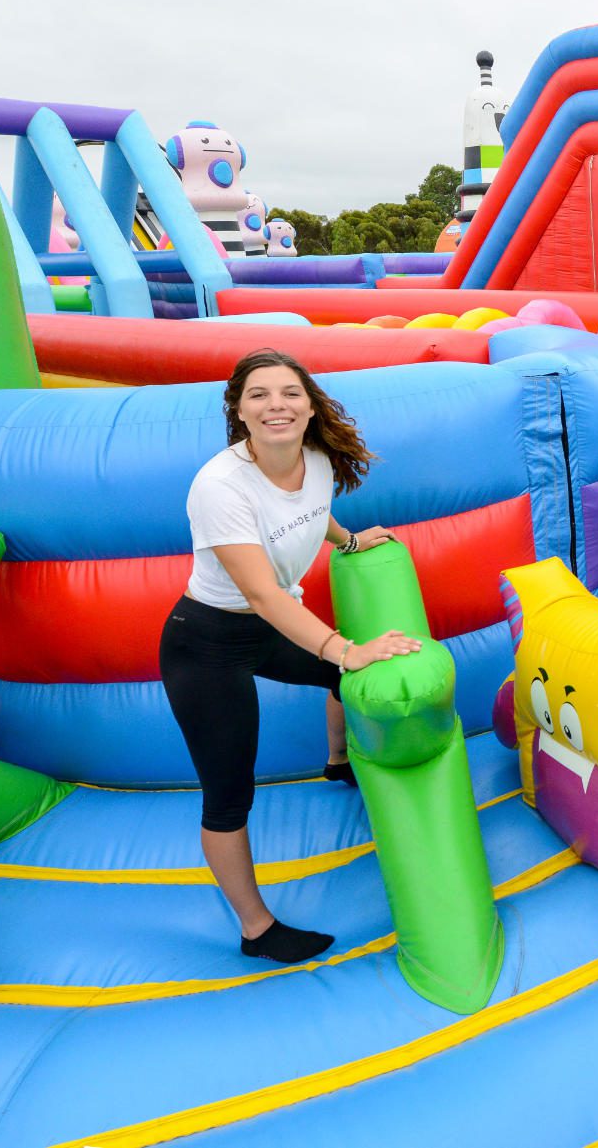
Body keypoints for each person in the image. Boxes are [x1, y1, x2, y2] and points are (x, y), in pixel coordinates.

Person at [160, 348, 421, 964]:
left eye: (289, 393)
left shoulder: (315, 458)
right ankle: (256, 929)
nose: (276, 404)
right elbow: (261, 591)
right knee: (229, 798)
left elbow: (311, 509)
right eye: (259, 395)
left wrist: (350, 539)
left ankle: (337, 762)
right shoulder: (219, 485)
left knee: (341, 679)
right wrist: (344, 648)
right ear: (239, 411)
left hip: (269, 626)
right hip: (207, 643)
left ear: (309, 406)